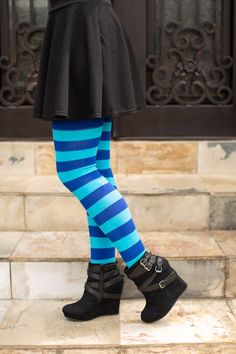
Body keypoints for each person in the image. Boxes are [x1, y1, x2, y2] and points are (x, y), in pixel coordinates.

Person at [32, 0, 188, 323]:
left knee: (76, 170)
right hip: (85, 25)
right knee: (96, 169)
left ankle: (149, 270)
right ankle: (103, 285)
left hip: (79, 28)